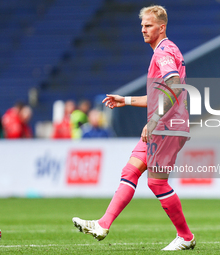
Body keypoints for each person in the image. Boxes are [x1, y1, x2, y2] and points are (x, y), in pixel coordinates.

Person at [73, 5, 195, 251]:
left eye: (148, 25)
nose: (143, 30)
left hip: (167, 126)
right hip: (165, 125)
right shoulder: (164, 51)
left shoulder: (163, 52)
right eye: (141, 26)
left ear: (162, 28)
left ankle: (186, 237)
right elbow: (160, 95)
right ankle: (103, 224)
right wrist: (126, 100)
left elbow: (174, 87)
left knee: (157, 183)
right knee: (130, 172)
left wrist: (153, 122)